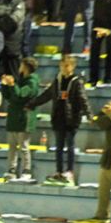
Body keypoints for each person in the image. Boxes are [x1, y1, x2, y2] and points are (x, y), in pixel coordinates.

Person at [27, 55, 90, 186]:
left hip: (71, 119)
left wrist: (88, 114)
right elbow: (47, 95)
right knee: (59, 146)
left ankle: (70, 171)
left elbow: (83, 99)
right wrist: (32, 104)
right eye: (62, 65)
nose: (64, 68)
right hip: (58, 117)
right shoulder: (58, 80)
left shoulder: (76, 81)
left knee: (70, 145)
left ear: (73, 67)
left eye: (67, 65)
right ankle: (59, 171)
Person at [0, 57, 40, 181]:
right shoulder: (21, 80)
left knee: (23, 146)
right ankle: (11, 169)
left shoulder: (32, 82)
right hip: (14, 117)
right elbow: (9, 96)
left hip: (24, 118)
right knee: (12, 146)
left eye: (21, 65)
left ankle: (26, 170)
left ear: (26, 67)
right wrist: (5, 86)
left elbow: (20, 95)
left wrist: (12, 85)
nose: (19, 67)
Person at [89, 101, 111, 223]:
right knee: (104, 187)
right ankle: (102, 214)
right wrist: (103, 112)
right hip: (109, 156)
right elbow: (98, 122)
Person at [89, 0, 111, 86]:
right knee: (94, 51)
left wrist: (108, 31)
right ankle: (93, 78)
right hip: (98, 24)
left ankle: (109, 78)